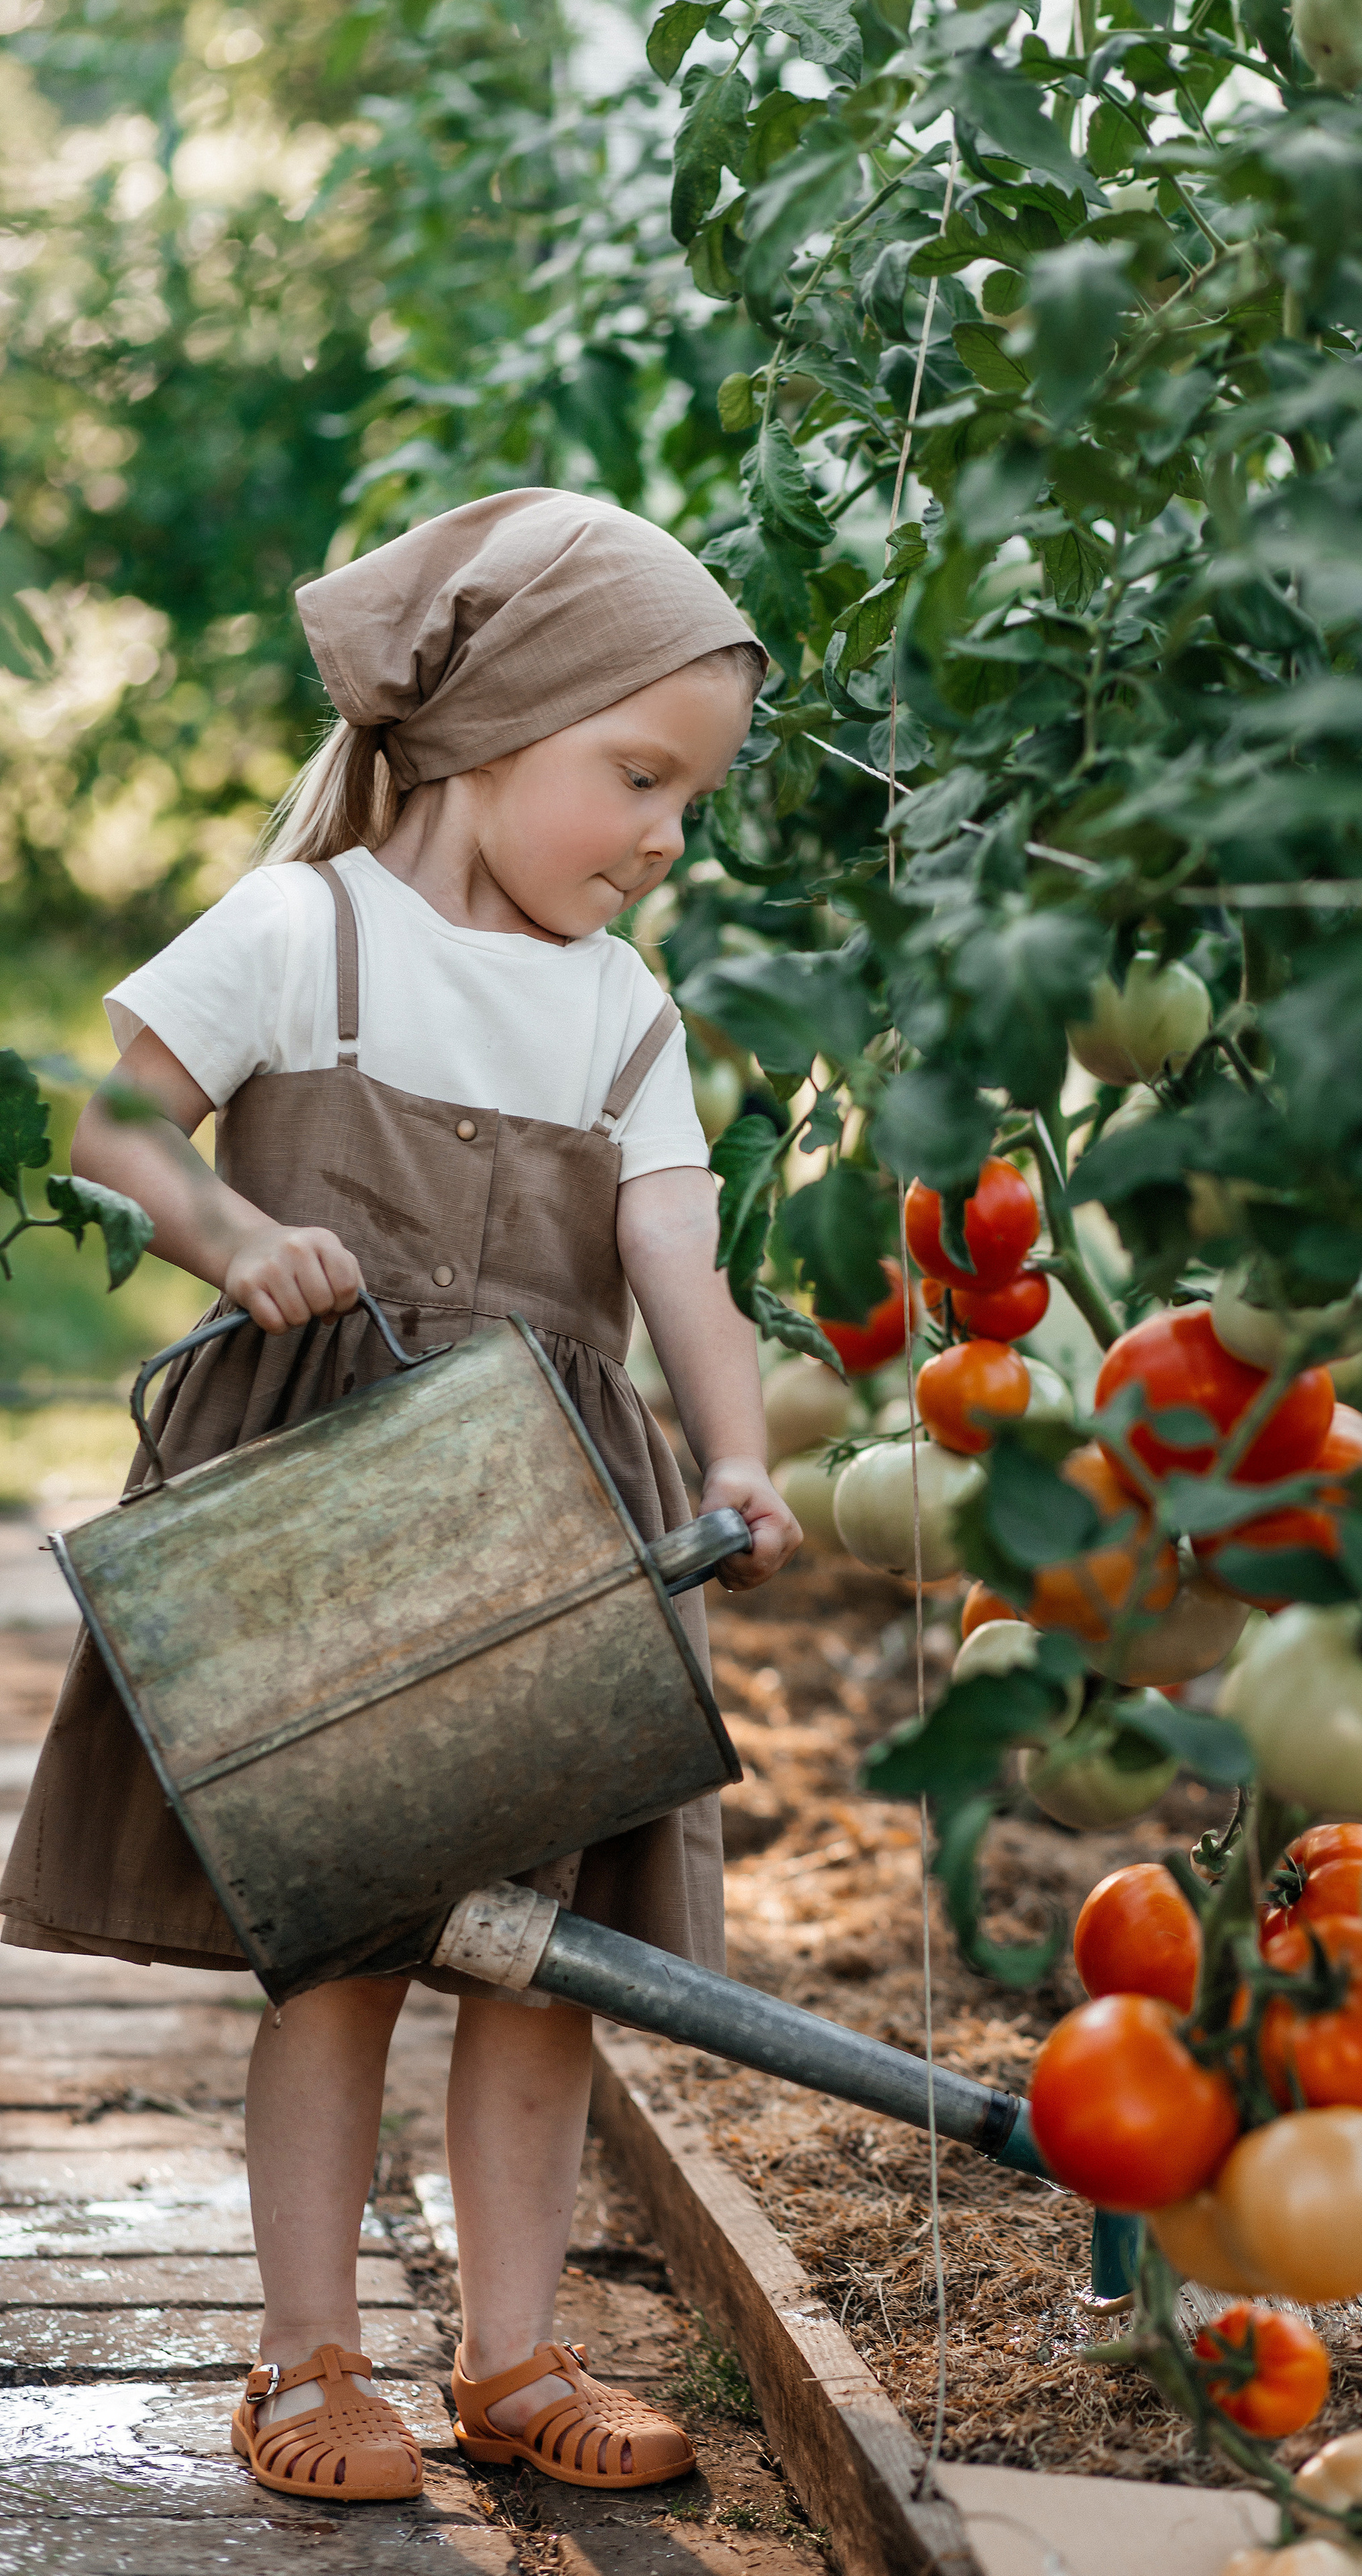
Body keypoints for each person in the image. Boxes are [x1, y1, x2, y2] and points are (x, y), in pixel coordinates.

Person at [0, 492, 801, 2502]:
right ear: (488, 730)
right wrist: (233, 1235)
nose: (661, 841)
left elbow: (683, 1270)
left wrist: (738, 1456)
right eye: (638, 778)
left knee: (543, 1969)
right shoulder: (309, 929)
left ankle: (514, 2355)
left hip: (555, 1538)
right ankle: (305, 2361)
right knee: (349, 1941)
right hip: (334, 1518)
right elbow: (113, 1118)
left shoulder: (625, 1015)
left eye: (687, 802)